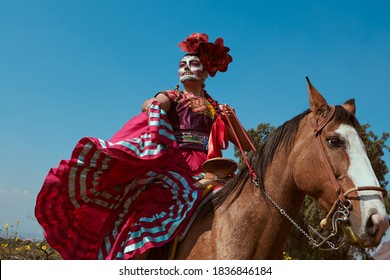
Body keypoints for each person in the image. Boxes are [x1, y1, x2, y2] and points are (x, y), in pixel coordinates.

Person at [35, 33, 253, 260]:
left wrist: (233, 119)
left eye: (194, 64)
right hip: (175, 164)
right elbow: (150, 105)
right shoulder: (172, 96)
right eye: (182, 65)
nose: (186, 68)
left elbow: (245, 145)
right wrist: (152, 104)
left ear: (205, 72)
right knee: (149, 207)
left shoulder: (215, 107)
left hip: (209, 168)